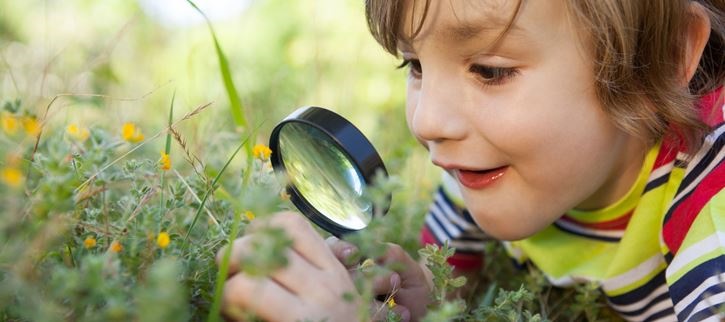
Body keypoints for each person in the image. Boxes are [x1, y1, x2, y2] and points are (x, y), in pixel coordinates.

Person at [218, 0, 724, 321]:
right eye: (414, 64)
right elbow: (450, 288)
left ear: (663, 54)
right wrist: (425, 303)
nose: (428, 122)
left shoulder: (712, 195)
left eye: (490, 70)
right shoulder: (482, 169)